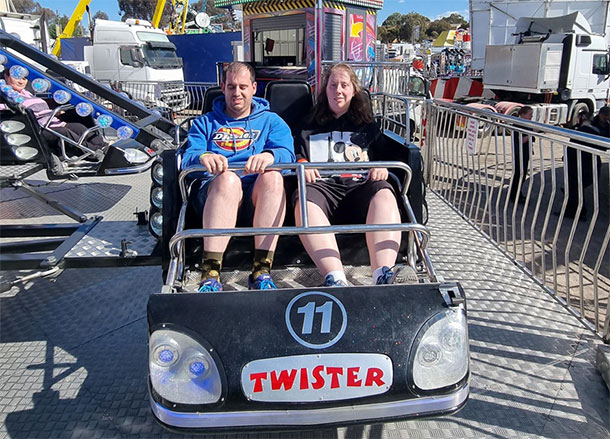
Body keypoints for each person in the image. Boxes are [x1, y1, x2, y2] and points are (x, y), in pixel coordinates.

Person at [181, 62, 295, 292]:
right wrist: (203, 158)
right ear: (222, 88)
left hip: (255, 198)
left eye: (243, 87)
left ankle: (262, 270)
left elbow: (288, 154)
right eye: (231, 87)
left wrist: (270, 156)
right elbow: (186, 158)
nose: (237, 93)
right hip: (214, 196)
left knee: (273, 178)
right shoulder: (204, 123)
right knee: (228, 180)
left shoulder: (272, 122)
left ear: (254, 88)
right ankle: (210, 272)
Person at [292, 63, 407, 287]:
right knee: (303, 201)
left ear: (353, 91)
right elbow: (295, 152)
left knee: (384, 192)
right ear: (325, 90)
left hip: (359, 185)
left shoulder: (367, 127)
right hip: (322, 186)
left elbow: (384, 157)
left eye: (344, 85)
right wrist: (302, 162)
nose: (338, 91)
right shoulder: (308, 124)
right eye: (333, 85)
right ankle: (335, 277)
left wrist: (381, 167)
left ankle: (383, 273)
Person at [2, 69, 107, 158]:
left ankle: (104, 146)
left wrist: (54, 113)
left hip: (51, 122)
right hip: (38, 128)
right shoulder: (5, 95)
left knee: (78, 127)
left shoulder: (26, 93)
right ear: (6, 76)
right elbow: (9, 110)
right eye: (17, 78)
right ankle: (94, 152)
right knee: (64, 132)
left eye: (24, 79)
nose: (21, 82)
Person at [564, 111, 604, 218]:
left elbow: (573, 147)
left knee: (575, 187)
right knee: (576, 188)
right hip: (587, 163)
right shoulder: (595, 130)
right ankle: (577, 211)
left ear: (583, 117)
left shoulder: (583, 130)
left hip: (581, 164)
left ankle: (577, 212)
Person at [508, 105, 534, 202]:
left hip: (524, 152)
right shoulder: (519, 125)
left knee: (521, 175)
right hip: (520, 153)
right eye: (529, 114)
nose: (531, 116)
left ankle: (517, 194)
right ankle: (515, 196)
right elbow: (521, 140)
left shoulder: (525, 123)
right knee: (519, 174)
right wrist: (531, 135)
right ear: (523, 115)